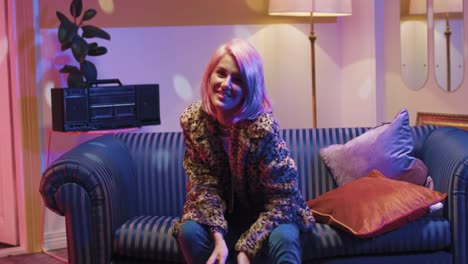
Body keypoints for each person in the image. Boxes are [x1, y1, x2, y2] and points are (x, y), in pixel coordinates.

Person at [171, 38, 315, 264]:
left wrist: (246, 249)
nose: (226, 84)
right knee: (188, 231)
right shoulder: (194, 122)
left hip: (269, 217)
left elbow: (283, 200)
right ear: (210, 75)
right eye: (221, 73)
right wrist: (218, 238)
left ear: (250, 87)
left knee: (285, 238)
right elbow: (202, 187)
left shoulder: (263, 129)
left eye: (237, 80)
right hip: (221, 217)